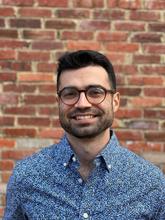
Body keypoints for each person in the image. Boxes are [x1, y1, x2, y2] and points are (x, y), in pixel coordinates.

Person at [3, 50, 165, 220]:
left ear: (115, 101)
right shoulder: (27, 177)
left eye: (95, 92)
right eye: (70, 93)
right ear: (59, 103)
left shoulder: (151, 184)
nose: (82, 103)